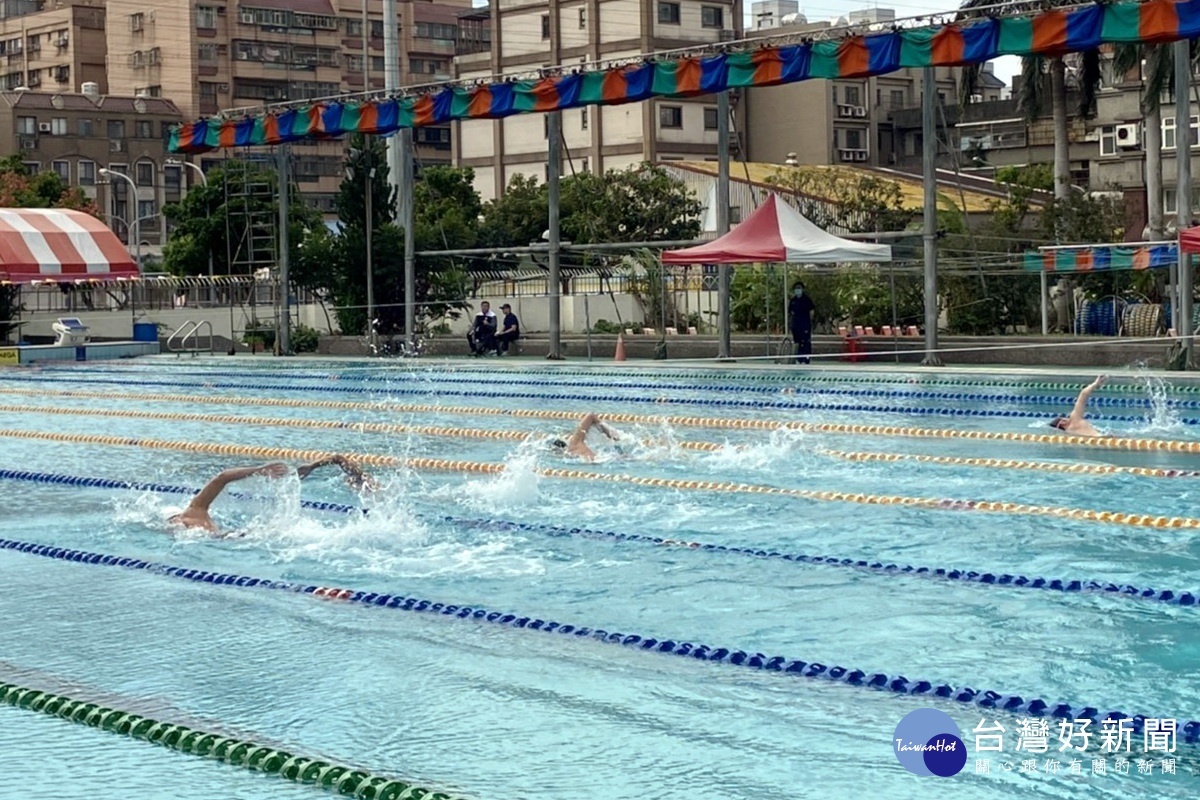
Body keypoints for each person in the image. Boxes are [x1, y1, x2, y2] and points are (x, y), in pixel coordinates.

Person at [168, 456, 377, 534]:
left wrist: (260, 470)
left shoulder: (195, 513)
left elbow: (221, 477)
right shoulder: (198, 514)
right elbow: (222, 478)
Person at [549, 412, 622, 461]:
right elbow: (590, 415)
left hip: (598, 460)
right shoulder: (574, 443)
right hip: (603, 458)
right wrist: (608, 433)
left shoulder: (570, 454)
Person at [788, 281, 816, 364]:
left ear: (802, 289)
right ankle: (798, 358)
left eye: (799, 288)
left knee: (806, 342)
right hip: (796, 325)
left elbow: (812, 312)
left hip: (805, 325)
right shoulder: (793, 300)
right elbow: (791, 313)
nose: (797, 290)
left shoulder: (807, 300)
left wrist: (808, 322)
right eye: (796, 288)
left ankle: (806, 359)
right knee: (797, 342)